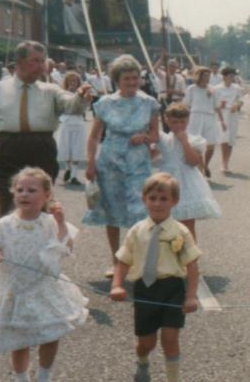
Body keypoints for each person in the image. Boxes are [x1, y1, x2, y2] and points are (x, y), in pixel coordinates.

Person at [0, 167, 87, 382]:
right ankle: (21, 381)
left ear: (46, 195)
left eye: (31, 190)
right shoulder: (5, 224)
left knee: (51, 333)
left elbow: (65, 249)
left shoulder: (49, 223)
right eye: (20, 189)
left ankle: (44, 376)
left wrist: (61, 222)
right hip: (15, 289)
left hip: (44, 288)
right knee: (19, 338)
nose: (24, 194)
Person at [0, 41, 92, 216]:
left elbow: (71, 105)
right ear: (19, 62)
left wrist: (81, 97)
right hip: (5, 155)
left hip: (42, 153)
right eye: (36, 61)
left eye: (43, 61)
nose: (41, 66)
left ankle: (40, 242)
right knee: (9, 208)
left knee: (41, 210)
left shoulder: (51, 91)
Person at [109, 173, 201, 382]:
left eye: (164, 198)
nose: (158, 203)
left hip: (172, 288)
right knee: (146, 342)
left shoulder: (180, 232)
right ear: (144, 199)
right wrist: (117, 285)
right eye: (153, 198)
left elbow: (192, 266)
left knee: (170, 339)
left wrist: (191, 296)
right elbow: (123, 260)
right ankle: (142, 362)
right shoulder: (137, 230)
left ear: (174, 202)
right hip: (145, 290)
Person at [84, 54, 160, 278]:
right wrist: (90, 162)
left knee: (139, 211)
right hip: (110, 162)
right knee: (113, 213)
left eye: (135, 78)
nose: (132, 82)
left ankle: (138, 260)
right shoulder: (105, 103)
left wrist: (145, 138)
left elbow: (156, 133)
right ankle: (116, 261)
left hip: (138, 163)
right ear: (117, 79)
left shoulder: (149, 102)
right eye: (127, 78)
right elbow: (93, 137)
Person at [156, 103, 221, 241]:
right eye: (174, 122)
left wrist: (184, 141)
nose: (179, 125)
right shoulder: (163, 139)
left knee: (187, 226)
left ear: (188, 121)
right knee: (165, 223)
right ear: (166, 121)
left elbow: (193, 161)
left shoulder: (194, 140)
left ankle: (191, 258)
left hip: (187, 184)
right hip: (167, 182)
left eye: (182, 122)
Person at [185, 67, 225, 178]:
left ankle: (206, 165)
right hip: (195, 118)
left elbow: (217, 107)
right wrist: (185, 121)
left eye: (209, 76)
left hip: (209, 118)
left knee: (211, 146)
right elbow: (186, 105)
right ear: (199, 76)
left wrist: (222, 121)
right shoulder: (191, 89)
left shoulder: (213, 89)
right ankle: (201, 170)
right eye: (205, 76)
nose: (207, 78)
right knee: (197, 146)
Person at [54, 71, 87, 185]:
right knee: (66, 147)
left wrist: (81, 96)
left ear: (79, 82)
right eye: (70, 81)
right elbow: (63, 107)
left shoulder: (84, 94)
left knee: (77, 148)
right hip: (66, 122)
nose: (73, 83)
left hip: (78, 122)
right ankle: (68, 168)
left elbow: (81, 108)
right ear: (66, 82)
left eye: (75, 81)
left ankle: (74, 175)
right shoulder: (62, 93)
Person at [215, 66, 244, 174]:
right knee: (224, 139)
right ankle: (223, 163)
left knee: (231, 139)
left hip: (233, 114)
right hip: (222, 115)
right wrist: (219, 105)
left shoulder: (237, 88)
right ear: (225, 76)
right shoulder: (217, 88)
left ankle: (227, 162)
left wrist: (236, 105)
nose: (233, 77)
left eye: (233, 75)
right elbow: (214, 103)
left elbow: (241, 100)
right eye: (231, 75)